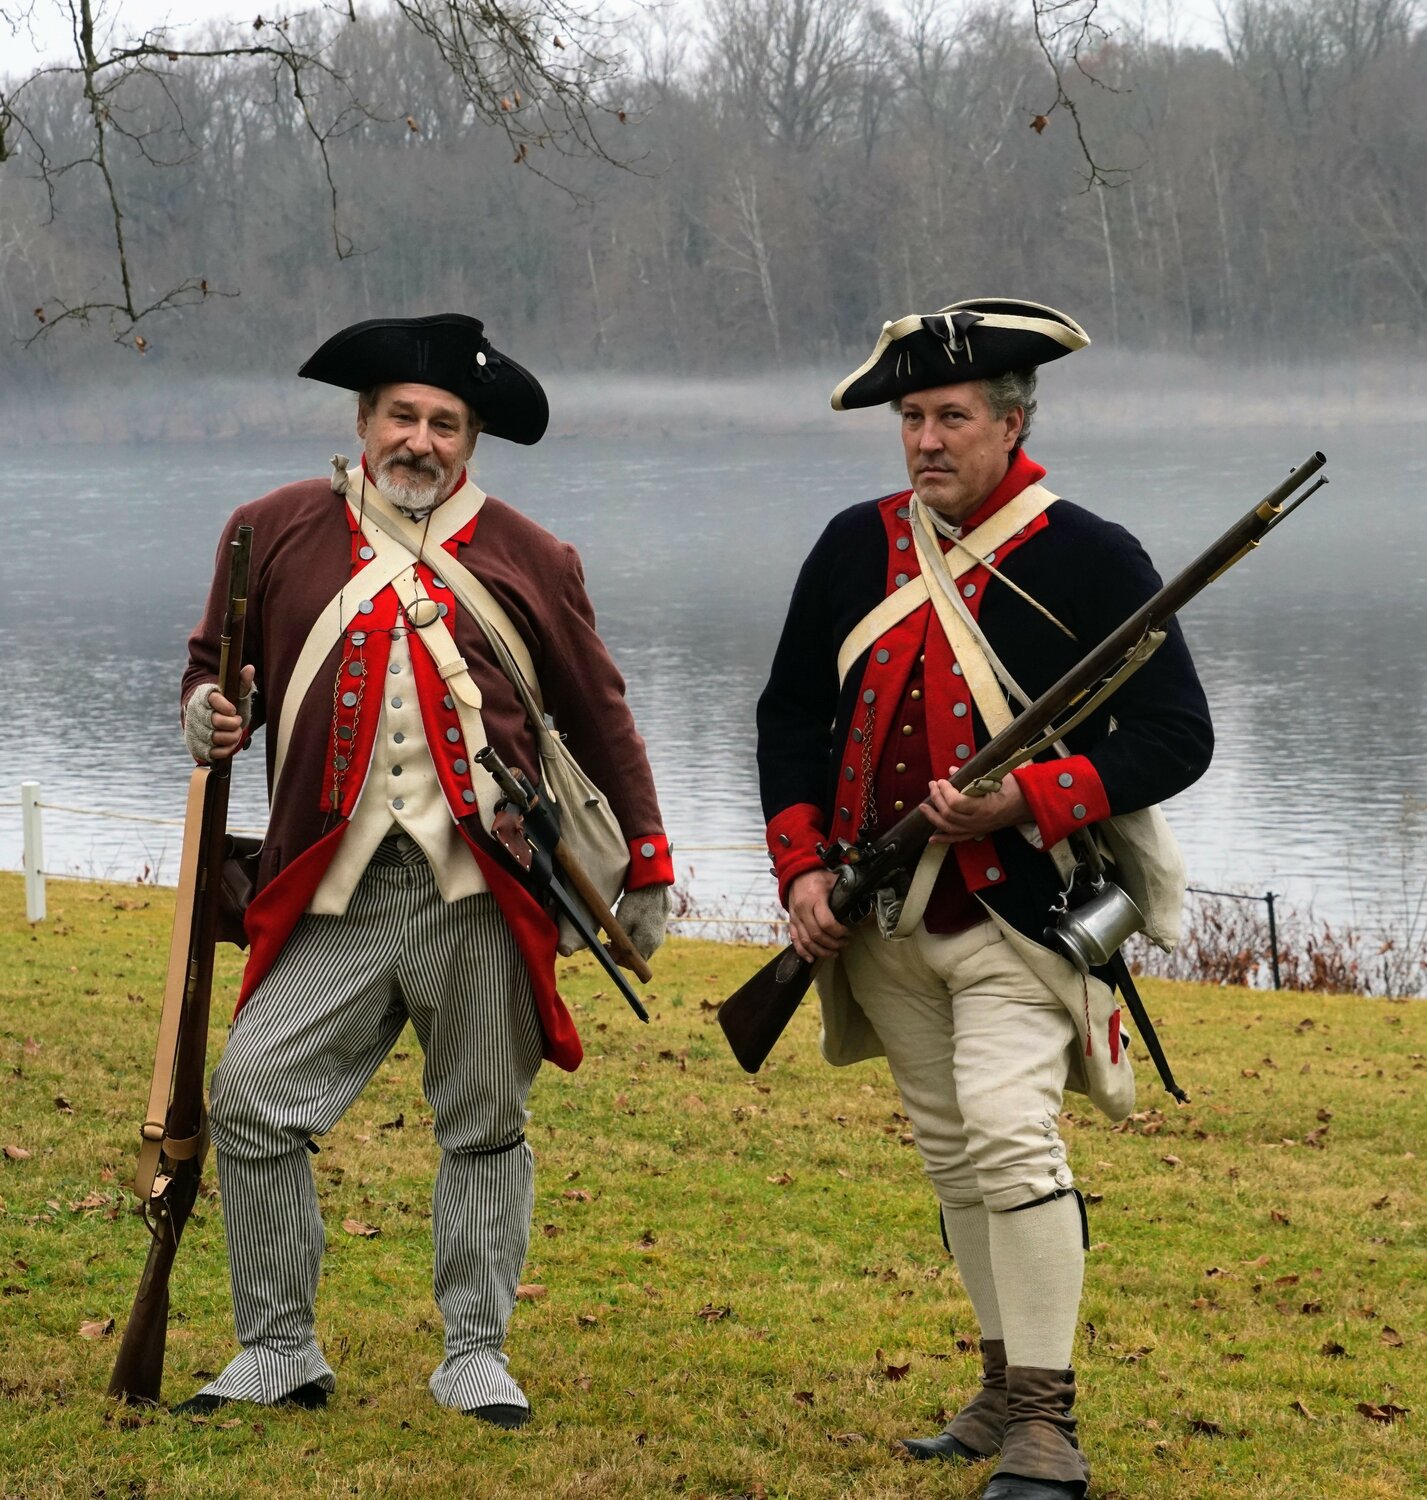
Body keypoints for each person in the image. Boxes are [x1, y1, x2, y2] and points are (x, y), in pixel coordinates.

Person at [177, 313, 674, 1427]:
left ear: (471, 440)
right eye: (401, 415)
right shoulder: (269, 531)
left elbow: (599, 715)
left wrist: (647, 863)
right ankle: (276, 1349)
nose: (420, 439)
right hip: (333, 893)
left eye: (444, 423)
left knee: (483, 1124)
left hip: (480, 898)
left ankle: (474, 1355)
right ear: (363, 422)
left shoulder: (534, 556)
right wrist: (207, 714)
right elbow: (216, 668)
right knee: (251, 1098)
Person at [756, 299, 1213, 1499]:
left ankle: (1044, 1426)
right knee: (955, 1158)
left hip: (1022, 913)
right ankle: (999, 1389)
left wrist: (1026, 801)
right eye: (909, 417)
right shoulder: (854, 548)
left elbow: (1175, 737)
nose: (923, 441)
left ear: (1010, 422)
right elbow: (793, 715)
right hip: (881, 921)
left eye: (949, 415)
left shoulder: (1087, 554)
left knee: (1012, 1139)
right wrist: (802, 864)